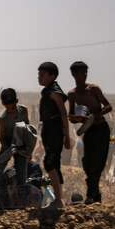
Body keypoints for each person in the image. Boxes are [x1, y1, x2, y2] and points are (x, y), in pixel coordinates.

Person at [67, 61, 112, 204]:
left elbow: (108, 106)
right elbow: (71, 116)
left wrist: (97, 114)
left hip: (101, 129)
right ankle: (95, 194)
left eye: (86, 73)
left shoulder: (93, 89)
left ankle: (91, 195)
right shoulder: (72, 94)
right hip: (88, 131)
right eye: (81, 73)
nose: (84, 76)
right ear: (74, 74)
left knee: (98, 163)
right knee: (87, 163)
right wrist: (79, 118)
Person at [38, 62, 71, 206]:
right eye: (39, 74)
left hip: (54, 130)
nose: (39, 77)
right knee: (54, 164)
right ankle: (58, 198)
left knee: (50, 162)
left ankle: (58, 200)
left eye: (42, 75)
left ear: (52, 76)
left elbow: (63, 114)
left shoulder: (54, 91)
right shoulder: (48, 91)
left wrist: (67, 136)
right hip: (49, 129)